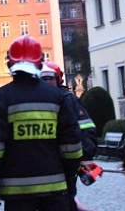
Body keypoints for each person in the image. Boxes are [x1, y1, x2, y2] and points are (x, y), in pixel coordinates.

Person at [0, 35, 82, 210]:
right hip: (55, 188)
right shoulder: (57, 96)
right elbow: (71, 144)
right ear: (40, 63)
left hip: (16, 191)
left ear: (10, 63)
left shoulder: (2, 97)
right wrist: (70, 177)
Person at [40, 61, 97, 211]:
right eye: (43, 79)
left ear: (58, 79)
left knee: (66, 198)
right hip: (47, 161)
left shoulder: (69, 99)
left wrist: (86, 156)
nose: (47, 82)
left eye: (50, 78)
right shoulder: (38, 100)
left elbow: (86, 127)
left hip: (67, 161)